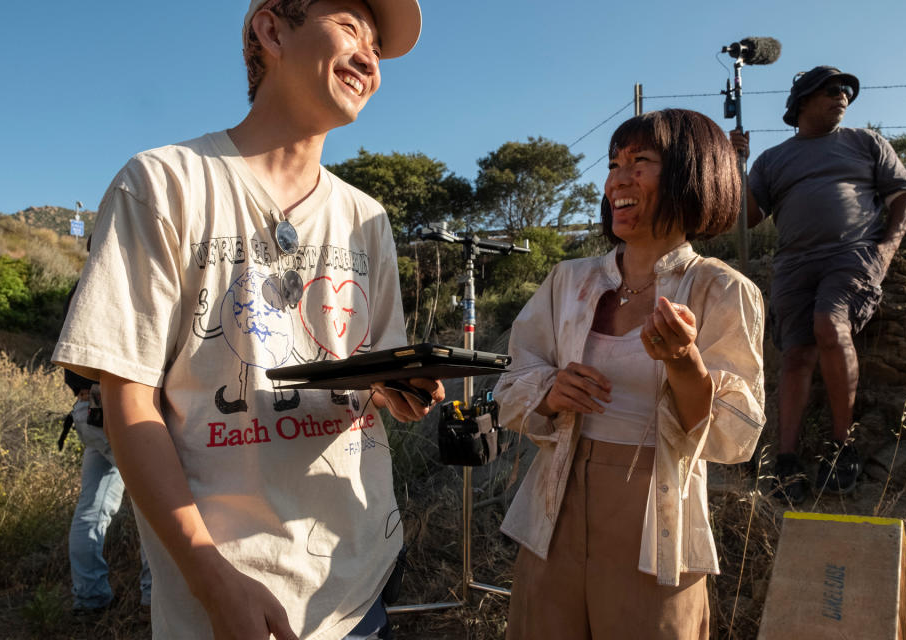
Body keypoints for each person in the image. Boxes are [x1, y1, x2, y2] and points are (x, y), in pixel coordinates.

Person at [52, 1, 444, 638]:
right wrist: (212, 581)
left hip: (358, 586)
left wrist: (396, 389)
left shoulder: (367, 218)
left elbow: (370, 372)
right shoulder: (163, 184)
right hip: (228, 596)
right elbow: (131, 401)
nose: (370, 57)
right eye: (349, 26)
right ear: (270, 29)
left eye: (377, 45)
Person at [495, 109, 765, 639]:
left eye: (640, 162)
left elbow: (737, 435)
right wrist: (550, 393)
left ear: (694, 173)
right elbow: (510, 382)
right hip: (556, 507)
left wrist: (686, 365)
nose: (618, 178)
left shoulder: (722, 289)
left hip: (656, 520)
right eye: (615, 163)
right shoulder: (567, 280)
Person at [730, 66, 906, 503]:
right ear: (801, 104)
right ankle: (787, 460)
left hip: (852, 254)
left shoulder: (865, 142)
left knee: (829, 325)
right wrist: (731, 165)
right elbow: (749, 217)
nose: (844, 96)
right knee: (794, 355)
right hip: (793, 263)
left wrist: (885, 249)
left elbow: (903, 196)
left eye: (847, 90)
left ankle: (841, 446)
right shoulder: (773, 159)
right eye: (831, 90)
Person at [63, 281, 152, 615]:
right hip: (114, 412)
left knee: (92, 507)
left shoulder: (79, 289)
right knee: (153, 499)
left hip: (87, 411)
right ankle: (152, 596)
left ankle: (89, 598)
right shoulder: (110, 287)